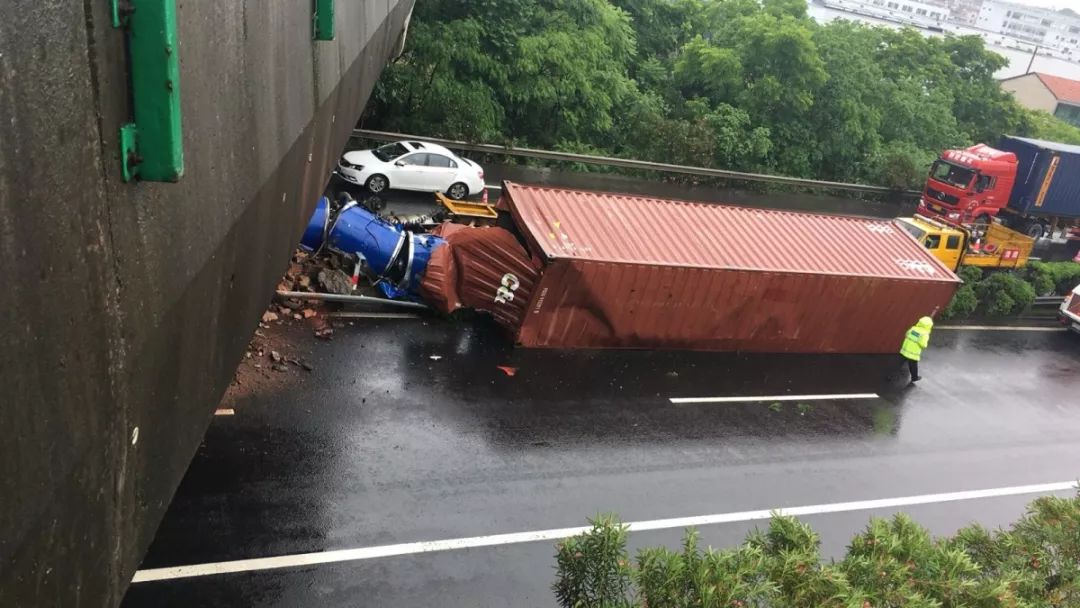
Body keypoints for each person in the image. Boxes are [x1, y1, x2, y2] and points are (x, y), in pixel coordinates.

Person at [899, 316, 934, 383]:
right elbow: (923, 345)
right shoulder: (925, 334)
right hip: (913, 353)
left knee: (899, 362)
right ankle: (914, 377)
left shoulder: (913, 328)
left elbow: (906, 334)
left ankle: (891, 375)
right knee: (913, 365)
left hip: (905, 350)